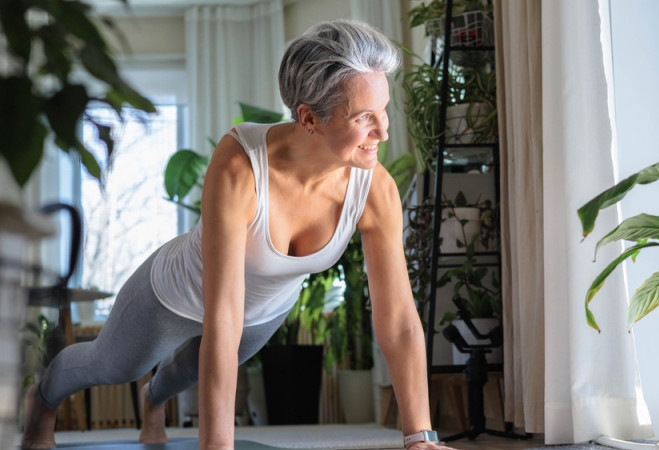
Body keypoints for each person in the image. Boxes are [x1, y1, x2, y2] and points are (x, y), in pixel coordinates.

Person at [22, 20, 457, 450]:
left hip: (262, 312)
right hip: (175, 293)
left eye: (383, 111)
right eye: (364, 117)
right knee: (112, 366)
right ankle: (40, 401)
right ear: (309, 118)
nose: (383, 131)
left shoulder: (374, 188)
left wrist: (419, 438)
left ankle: (153, 400)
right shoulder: (240, 165)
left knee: (184, 373)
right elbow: (223, 316)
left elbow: (399, 321)